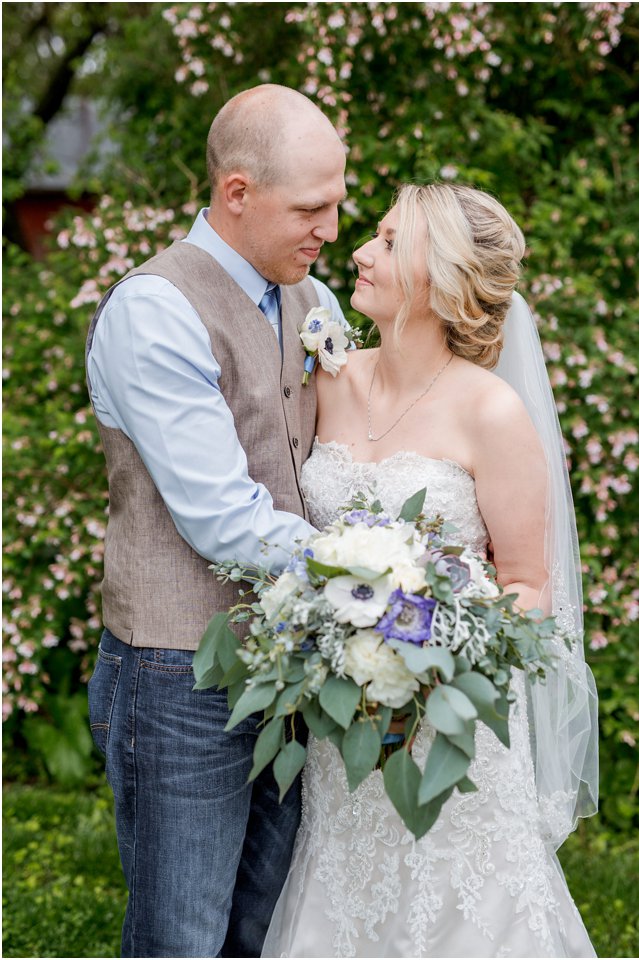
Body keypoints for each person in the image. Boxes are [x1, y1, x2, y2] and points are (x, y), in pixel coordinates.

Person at [260, 182, 599, 958]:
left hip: (450, 719)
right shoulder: (328, 380)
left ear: (439, 276)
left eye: (386, 241)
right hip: (341, 711)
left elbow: (529, 588)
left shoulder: (492, 411)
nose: (359, 252)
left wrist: (434, 664)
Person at [84, 84, 348, 956]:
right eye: (312, 208)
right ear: (237, 193)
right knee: (182, 936)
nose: (332, 230)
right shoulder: (155, 310)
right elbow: (223, 518)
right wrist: (378, 575)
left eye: (339, 205)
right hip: (177, 677)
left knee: (262, 927)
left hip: (298, 671)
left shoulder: (318, 306)